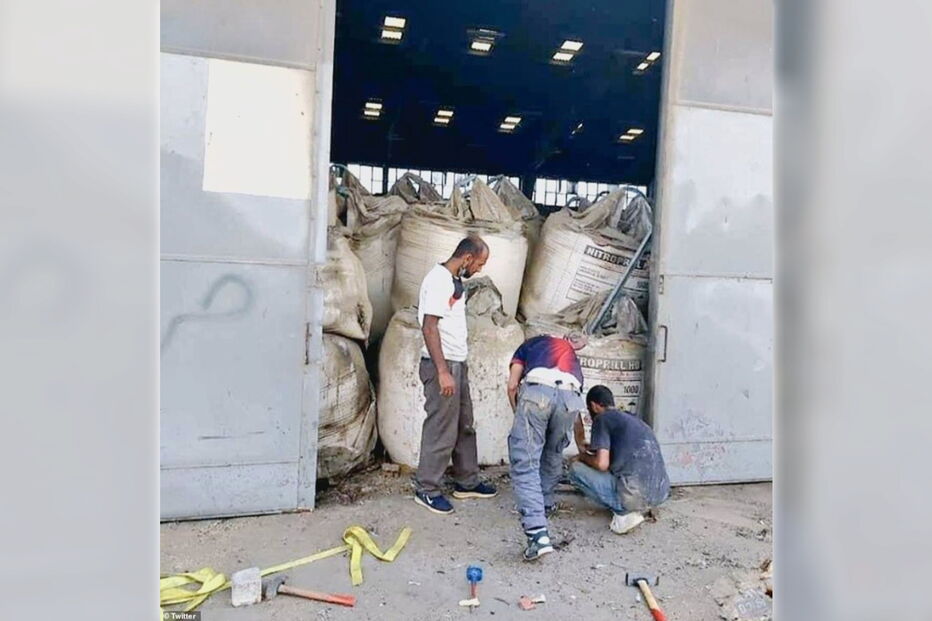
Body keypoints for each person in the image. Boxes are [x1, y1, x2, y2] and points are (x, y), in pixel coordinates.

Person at [413, 235, 498, 514]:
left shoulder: (453, 282)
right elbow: (429, 328)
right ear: (467, 258)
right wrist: (442, 372)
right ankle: (426, 489)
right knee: (441, 428)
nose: (480, 270)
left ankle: (467, 482)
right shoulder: (438, 280)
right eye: (480, 263)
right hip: (443, 365)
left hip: (457, 363)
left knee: (464, 424)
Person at [506, 332, 589, 561]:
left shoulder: (527, 346)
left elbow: (513, 385)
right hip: (570, 397)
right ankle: (546, 503)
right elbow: (577, 401)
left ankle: (537, 535)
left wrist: (519, 414)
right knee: (553, 451)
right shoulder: (569, 352)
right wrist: (581, 443)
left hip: (538, 393)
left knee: (526, 463)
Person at [569, 385, 670, 534]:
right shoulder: (633, 420)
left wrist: (581, 457)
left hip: (635, 496)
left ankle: (625, 513)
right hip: (660, 493)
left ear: (594, 406)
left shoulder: (602, 419)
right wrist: (593, 448)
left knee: (575, 469)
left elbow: (602, 464)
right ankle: (642, 508)